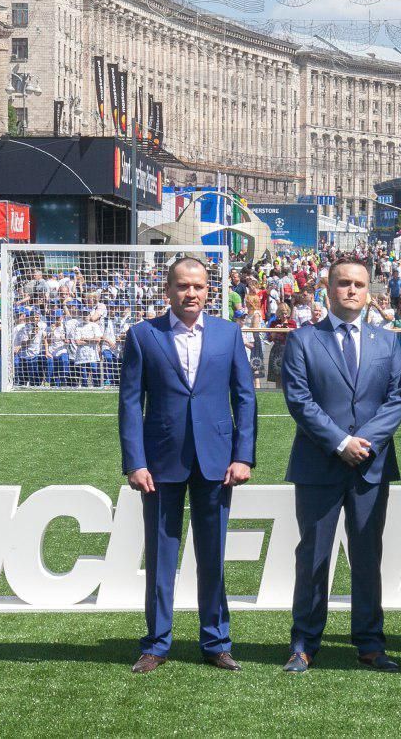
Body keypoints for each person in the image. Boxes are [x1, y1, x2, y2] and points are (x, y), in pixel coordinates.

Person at [118, 257, 257, 674]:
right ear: (168, 290)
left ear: (208, 290)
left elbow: (245, 397)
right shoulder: (143, 335)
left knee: (213, 555)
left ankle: (216, 642)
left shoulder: (228, 333)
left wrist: (243, 455)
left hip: (217, 460)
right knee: (161, 556)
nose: (190, 293)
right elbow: (130, 403)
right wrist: (135, 462)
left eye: (197, 286)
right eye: (182, 286)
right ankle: (156, 643)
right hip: (160, 463)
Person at [279, 256, 401, 674]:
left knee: (368, 555)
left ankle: (370, 643)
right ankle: (304, 643)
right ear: (328, 289)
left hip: (370, 465)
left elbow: (396, 400)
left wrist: (363, 443)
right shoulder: (303, 340)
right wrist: (340, 442)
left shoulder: (387, 342)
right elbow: (299, 399)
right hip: (319, 464)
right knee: (313, 556)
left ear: (368, 292)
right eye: (343, 283)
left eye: (359, 284)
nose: (351, 290)